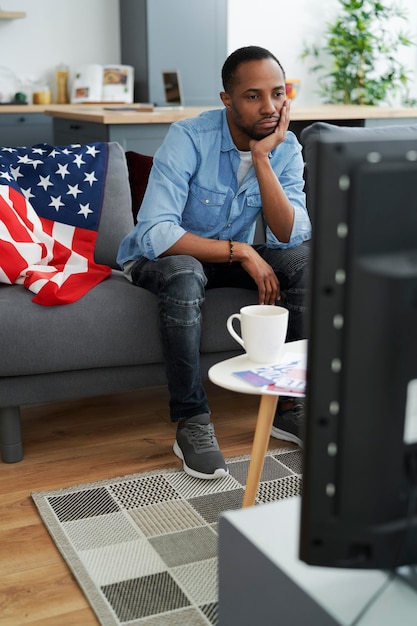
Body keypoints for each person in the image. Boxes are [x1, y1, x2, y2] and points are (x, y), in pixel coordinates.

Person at [117, 45, 311, 480]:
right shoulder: (188, 137)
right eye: (253, 96)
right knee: (186, 274)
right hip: (163, 258)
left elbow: (291, 232)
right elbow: (156, 232)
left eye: (278, 94)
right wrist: (243, 252)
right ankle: (193, 420)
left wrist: (263, 158)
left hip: (223, 257)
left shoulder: (286, 146)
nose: (270, 107)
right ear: (227, 99)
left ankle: (289, 406)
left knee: (306, 262)